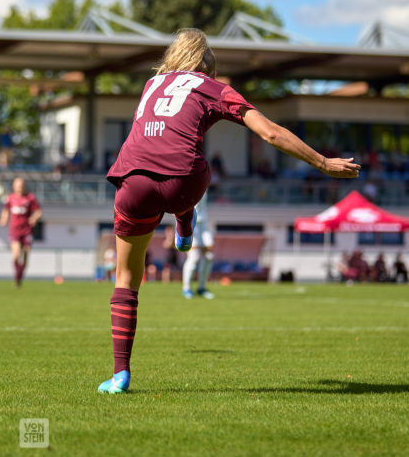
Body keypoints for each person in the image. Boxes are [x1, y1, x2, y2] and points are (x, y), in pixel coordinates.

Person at [97, 28, 361, 394]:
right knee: (198, 166)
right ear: (208, 65)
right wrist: (321, 162)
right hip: (183, 180)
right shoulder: (212, 87)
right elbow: (268, 132)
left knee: (126, 278)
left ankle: (119, 374)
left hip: (132, 179)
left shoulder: (150, 84)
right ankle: (184, 216)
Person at [0, 177, 42, 288]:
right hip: (15, 230)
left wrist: (33, 218)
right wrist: (4, 218)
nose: (19, 187)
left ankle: (20, 276)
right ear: (14, 186)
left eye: (21, 185)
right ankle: (16, 277)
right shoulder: (10, 198)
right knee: (17, 254)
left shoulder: (30, 198)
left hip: (27, 230)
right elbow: (6, 210)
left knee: (26, 255)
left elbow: (38, 211)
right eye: (17, 185)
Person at [181, 191, 215, 299]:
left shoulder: (204, 177)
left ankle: (201, 288)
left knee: (209, 256)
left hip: (203, 223)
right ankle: (186, 288)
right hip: (191, 222)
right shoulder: (186, 181)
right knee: (194, 257)